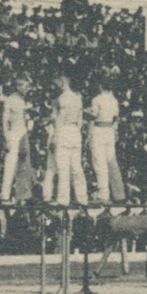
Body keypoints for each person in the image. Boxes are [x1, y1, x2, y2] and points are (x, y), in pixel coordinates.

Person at [49, 72, 88, 206]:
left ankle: (63, 199)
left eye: (57, 83)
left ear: (62, 82)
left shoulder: (62, 99)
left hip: (64, 132)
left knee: (63, 167)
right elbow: (80, 120)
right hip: (75, 132)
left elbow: (59, 120)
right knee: (76, 167)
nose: (56, 86)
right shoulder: (78, 98)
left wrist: (55, 138)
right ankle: (82, 197)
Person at [86, 78, 125, 203]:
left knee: (100, 163)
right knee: (112, 162)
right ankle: (119, 194)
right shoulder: (114, 100)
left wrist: (84, 112)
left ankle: (103, 194)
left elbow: (93, 115)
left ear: (100, 86)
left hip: (99, 129)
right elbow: (116, 117)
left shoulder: (97, 99)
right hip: (109, 130)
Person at [0, 74, 32, 203]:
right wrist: (7, 139)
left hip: (23, 134)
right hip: (13, 135)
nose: (27, 88)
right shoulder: (10, 99)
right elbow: (4, 121)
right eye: (24, 85)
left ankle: (22, 196)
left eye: (28, 86)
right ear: (18, 86)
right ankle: (5, 196)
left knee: (23, 166)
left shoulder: (24, 100)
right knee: (10, 165)